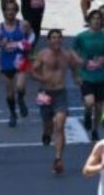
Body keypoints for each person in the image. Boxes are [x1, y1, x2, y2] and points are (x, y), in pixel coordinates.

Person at [31, 27, 81, 175]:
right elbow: (33, 71)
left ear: (62, 39)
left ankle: (58, 158)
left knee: (60, 124)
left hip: (60, 93)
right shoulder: (43, 54)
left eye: (58, 37)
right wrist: (42, 78)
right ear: (49, 40)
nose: (56, 40)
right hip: (45, 93)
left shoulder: (67, 55)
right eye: (53, 37)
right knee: (48, 125)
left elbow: (74, 68)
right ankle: (46, 133)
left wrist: (77, 77)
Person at [74, 9, 104, 140]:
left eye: (99, 19)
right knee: (89, 101)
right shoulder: (81, 37)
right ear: (89, 21)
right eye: (94, 18)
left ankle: (94, 129)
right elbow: (73, 54)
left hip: (101, 77)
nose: (96, 21)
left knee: (99, 108)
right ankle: (86, 113)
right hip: (86, 75)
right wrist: (77, 71)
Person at [0, 1, 32, 127]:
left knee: (20, 87)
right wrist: (1, 44)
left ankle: (20, 99)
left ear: (16, 11)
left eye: (13, 10)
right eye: (8, 9)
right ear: (4, 11)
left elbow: (32, 35)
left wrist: (26, 44)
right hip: (7, 61)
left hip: (20, 59)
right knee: (10, 94)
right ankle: (12, 113)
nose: (10, 12)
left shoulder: (23, 25)